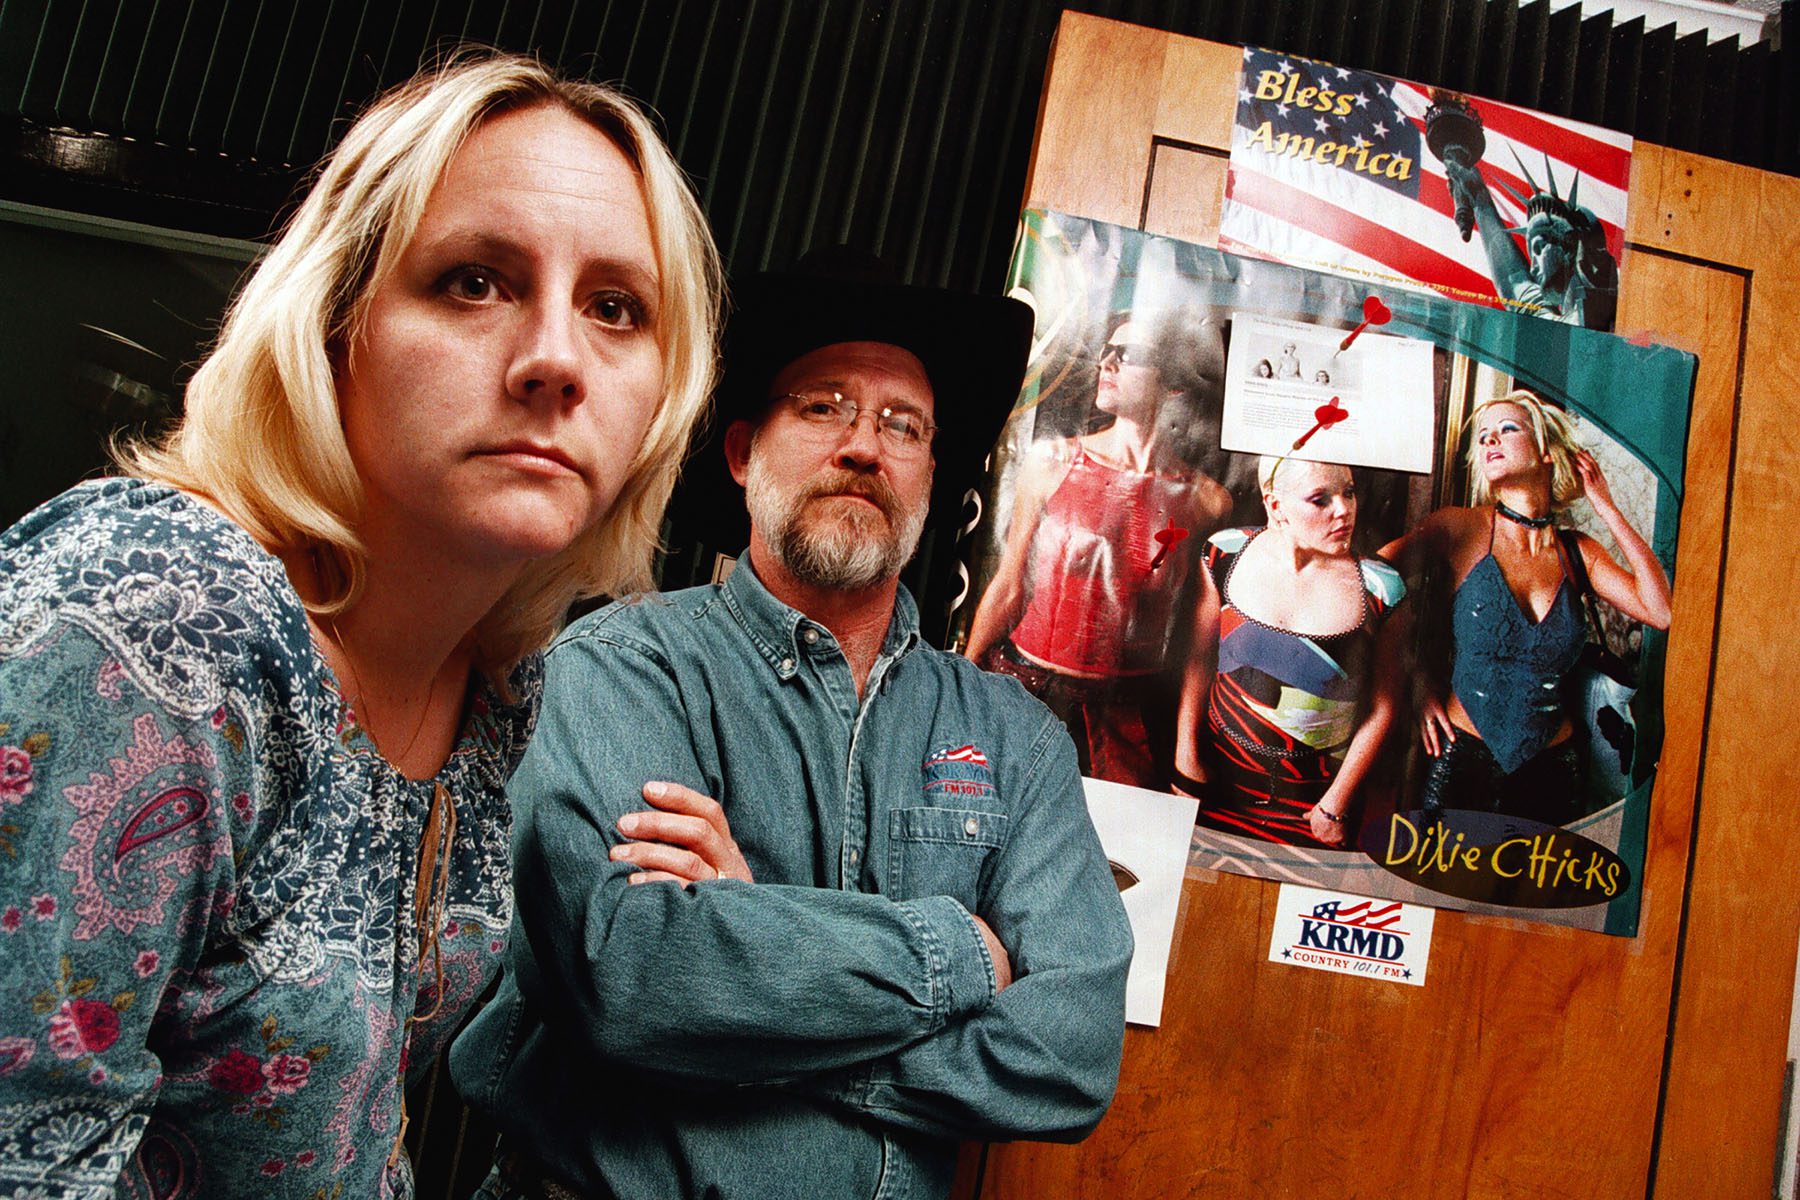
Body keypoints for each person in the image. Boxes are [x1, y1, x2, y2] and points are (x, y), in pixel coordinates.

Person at [0, 53, 721, 1198]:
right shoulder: (157, 617)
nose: (554, 362)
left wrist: (719, 933)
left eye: (616, 309)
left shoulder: (502, 695)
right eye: (475, 281)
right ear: (338, 322)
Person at [449, 262, 1133, 1200]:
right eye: (822, 408)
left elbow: (1071, 1056)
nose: (863, 447)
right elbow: (637, 974)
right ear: (741, 453)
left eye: (903, 426)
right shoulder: (621, 667)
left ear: (931, 476)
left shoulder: (1015, 741)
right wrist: (963, 953)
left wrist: (746, 981)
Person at [963, 307, 1232, 788]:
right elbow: (1009, 584)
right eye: (1106, 351)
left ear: (1172, 383)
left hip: (1128, 713)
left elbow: (1198, 638)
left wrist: (1186, 750)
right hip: (1026, 689)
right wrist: (960, 682)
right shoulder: (1053, 460)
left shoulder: (1207, 500)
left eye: (1127, 355)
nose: (1106, 363)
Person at [1379, 390, 1671, 823]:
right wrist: (1417, 684)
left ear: (1546, 452)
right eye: (1483, 437)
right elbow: (1375, 579)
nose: (1490, 441)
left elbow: (1659, 610)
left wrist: (1605, 506)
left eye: (1507, 429)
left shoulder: (1579, 553)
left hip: (1553, 776)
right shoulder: (1462, 528)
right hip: (1461, 764)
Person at [1173, 456, 1405, 847]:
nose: (1344, 510)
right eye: (1321, 499)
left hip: (1313, 805)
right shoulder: (1224, 554)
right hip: (1217, 785)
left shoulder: (1381, 587)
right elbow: (1197, 665)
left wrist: (1334, 805)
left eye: (1349, 492)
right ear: (1276, 505)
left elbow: (1384, 708)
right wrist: (1186, 761)